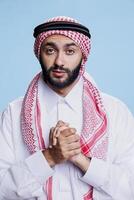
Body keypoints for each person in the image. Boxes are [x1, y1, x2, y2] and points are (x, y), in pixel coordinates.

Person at [0, 16, 134, 200]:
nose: (59, 61)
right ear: (39, 54)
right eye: (50, 50)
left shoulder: (115, 112)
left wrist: (83, 161)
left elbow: (129, 189)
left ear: (83, 56)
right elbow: (2, 190)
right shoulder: (14, 113)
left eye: (70, 51)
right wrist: (50, 157)